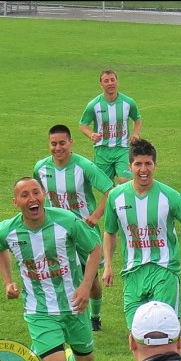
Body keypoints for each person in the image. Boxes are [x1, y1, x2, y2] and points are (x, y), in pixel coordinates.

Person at [0, 177, 100, 361]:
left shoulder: (67, 221)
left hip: (74, 305)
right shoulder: (7, 230)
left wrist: (85, 286)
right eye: (25, 195)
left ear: (43, 195)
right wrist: (7, 281)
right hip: (38, 311)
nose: (32, 199)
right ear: (16, 202)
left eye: (36, 192)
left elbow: (94, 248)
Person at [102, 139, 181, 358]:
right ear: (130, 166)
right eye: (138, 164)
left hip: (164, 270)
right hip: (132, 274)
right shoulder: (115, 197)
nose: (143, 169)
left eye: (148, 164)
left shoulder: (168, 196)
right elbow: (110, 232)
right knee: (136, 334)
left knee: (163, 333)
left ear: (155, 166)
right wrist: (108, 265)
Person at [34, 124, 115, 332]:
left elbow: (109, 190)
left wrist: (96, 215)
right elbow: (37, 196)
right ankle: (66, 318)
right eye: (53, 144)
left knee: (92, 279)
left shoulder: (84, 166)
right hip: (55, 233)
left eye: (62, 143)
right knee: (61, 275)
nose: (58, 148)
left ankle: (95, 316)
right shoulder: (41, 168)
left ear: (71, 142)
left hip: (83, 231)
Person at [79, 69, 143, 184]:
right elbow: (83, 124)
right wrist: (91, 134)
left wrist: (135, 133)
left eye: (112, 80)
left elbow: (137, 119)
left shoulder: (128, 102)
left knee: (126, 180)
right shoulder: (94, 105)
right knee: (106, 187)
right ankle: (115, 198)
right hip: (102, 150)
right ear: (101, 85)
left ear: (117, 82)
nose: (110, 83)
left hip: (122, 148)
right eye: (106, 81)